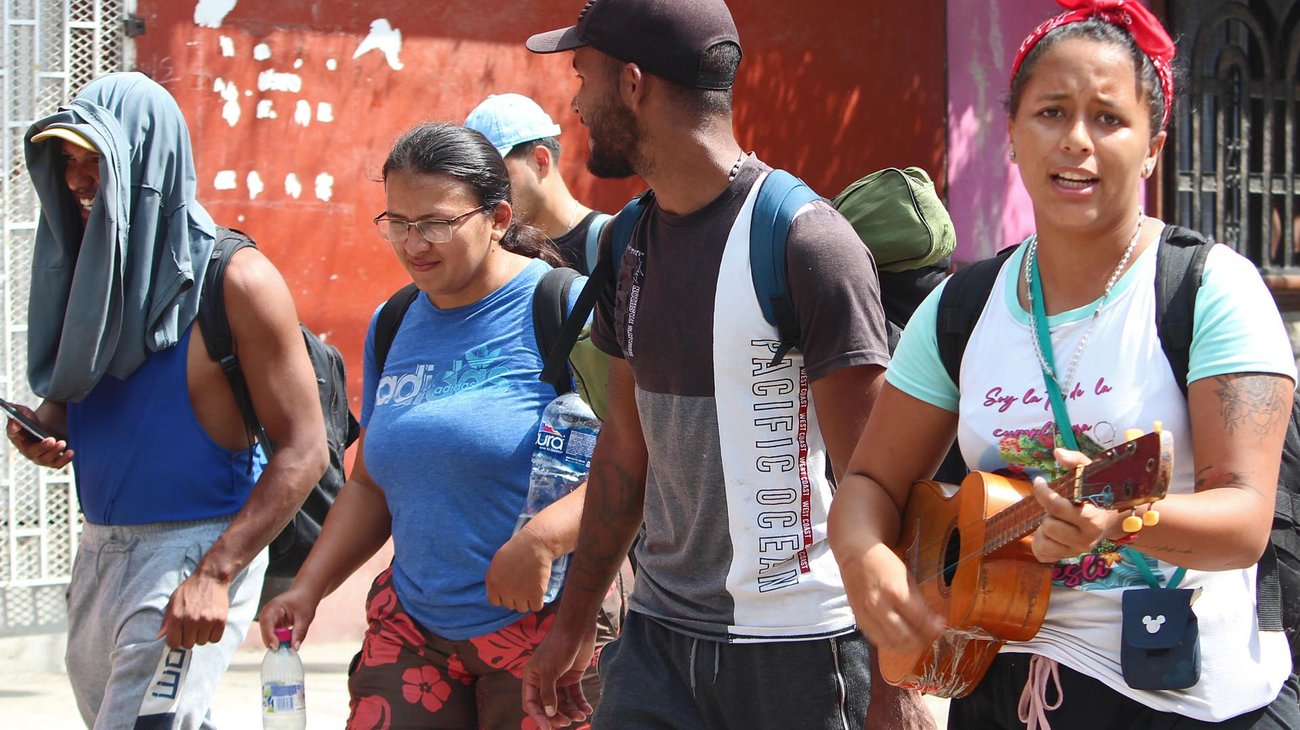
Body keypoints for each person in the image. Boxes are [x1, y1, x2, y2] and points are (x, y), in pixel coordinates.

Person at [828, 2, 1300, 728]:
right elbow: (869, 482)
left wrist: (1119, 520)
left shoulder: (1209, 291)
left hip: (1185, 701)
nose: (1076, 139)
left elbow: (1244, 519)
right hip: (999, 684)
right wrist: (865, 558)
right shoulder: (963, 308)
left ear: (1153, 147)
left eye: (1108, 118)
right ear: (1012, 137)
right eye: (1051, 112)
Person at [521, 1, 933, 728]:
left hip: (802, 655)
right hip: (655, 646)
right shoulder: (628, 243)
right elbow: (624, 449)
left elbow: (876, 479)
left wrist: (896, 687)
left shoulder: (805, 243)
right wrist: (573, 621)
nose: (575, 104)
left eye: (583, 77)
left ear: (634, 84)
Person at [257, 122, 625, 729]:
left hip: (551, 623)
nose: (413, 244)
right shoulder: (394, 321)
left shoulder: (569, 308)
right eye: (397, 222)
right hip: (414, 629)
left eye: (435, 223)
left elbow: (639, 462)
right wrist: (308, 587)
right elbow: (369, 484)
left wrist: (543, 539)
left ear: (497, 218)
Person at [7, 72, 328, 728]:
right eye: (67, 161)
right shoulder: (89, 267)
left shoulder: (236, 279)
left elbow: (305, 450)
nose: (77, 181)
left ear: (148, 163)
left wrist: (215, 572)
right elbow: (86, 391)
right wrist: (47, 426)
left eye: (95, 160)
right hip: (99, 551)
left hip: (195, 548)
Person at [465, 92, 608, 274]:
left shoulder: (610, 240)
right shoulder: (490, 250)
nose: (487, 191)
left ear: (540, 161)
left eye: (496, 174)